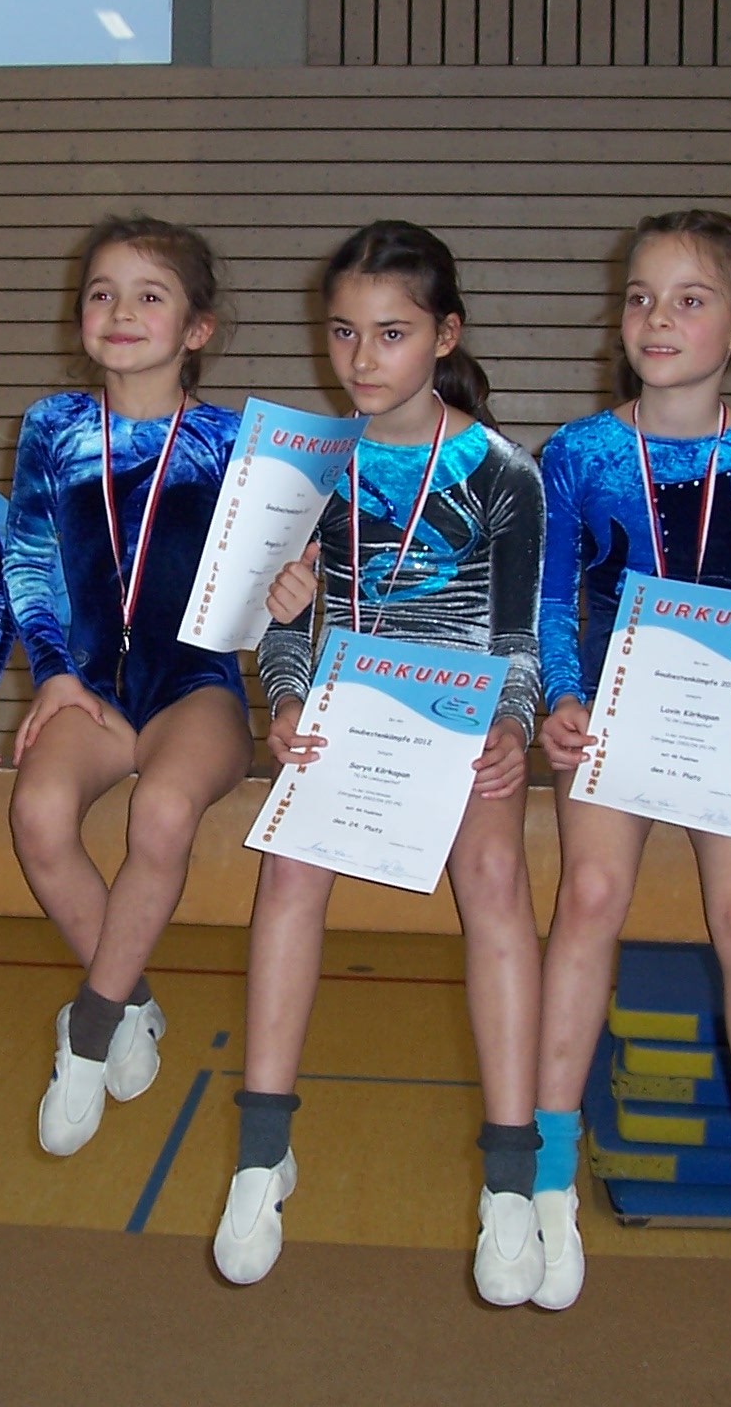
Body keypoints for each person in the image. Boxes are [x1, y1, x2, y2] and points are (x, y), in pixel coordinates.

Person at [215, 222, 547, 1304]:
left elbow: (517, 637)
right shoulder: (312, 469)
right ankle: (262, 1151)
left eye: (391, 333)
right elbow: (282, 629)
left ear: (445, 336)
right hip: (347, 713)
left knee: (493, 874)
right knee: (288, 868)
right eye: (344, 332)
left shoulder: (503, 472)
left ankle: (511, 1173)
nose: (362, 358)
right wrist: (284, 699)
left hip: (461, 718)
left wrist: (512, 727)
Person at [534, 209, 731, 1338]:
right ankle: (546, 1181)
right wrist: (560, 699)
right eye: (642, 297)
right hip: (617, 709)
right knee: (590, 896)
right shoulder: (579, 452)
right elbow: (555, 598)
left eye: (691, 300)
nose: (659, 319)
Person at [4, 214, 251, 1157]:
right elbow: (30, 560)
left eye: (150, 296)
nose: (120, 311)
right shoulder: (53, 428)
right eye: (101, 293)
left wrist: (293, 587)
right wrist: (52, 675)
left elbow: (272, 585)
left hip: (196, 688)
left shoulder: (235, 439)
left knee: (163, 813)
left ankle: (88, 1034)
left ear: (197, 328)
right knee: (37, 815)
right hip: (91, 689)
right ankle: (130, 995)